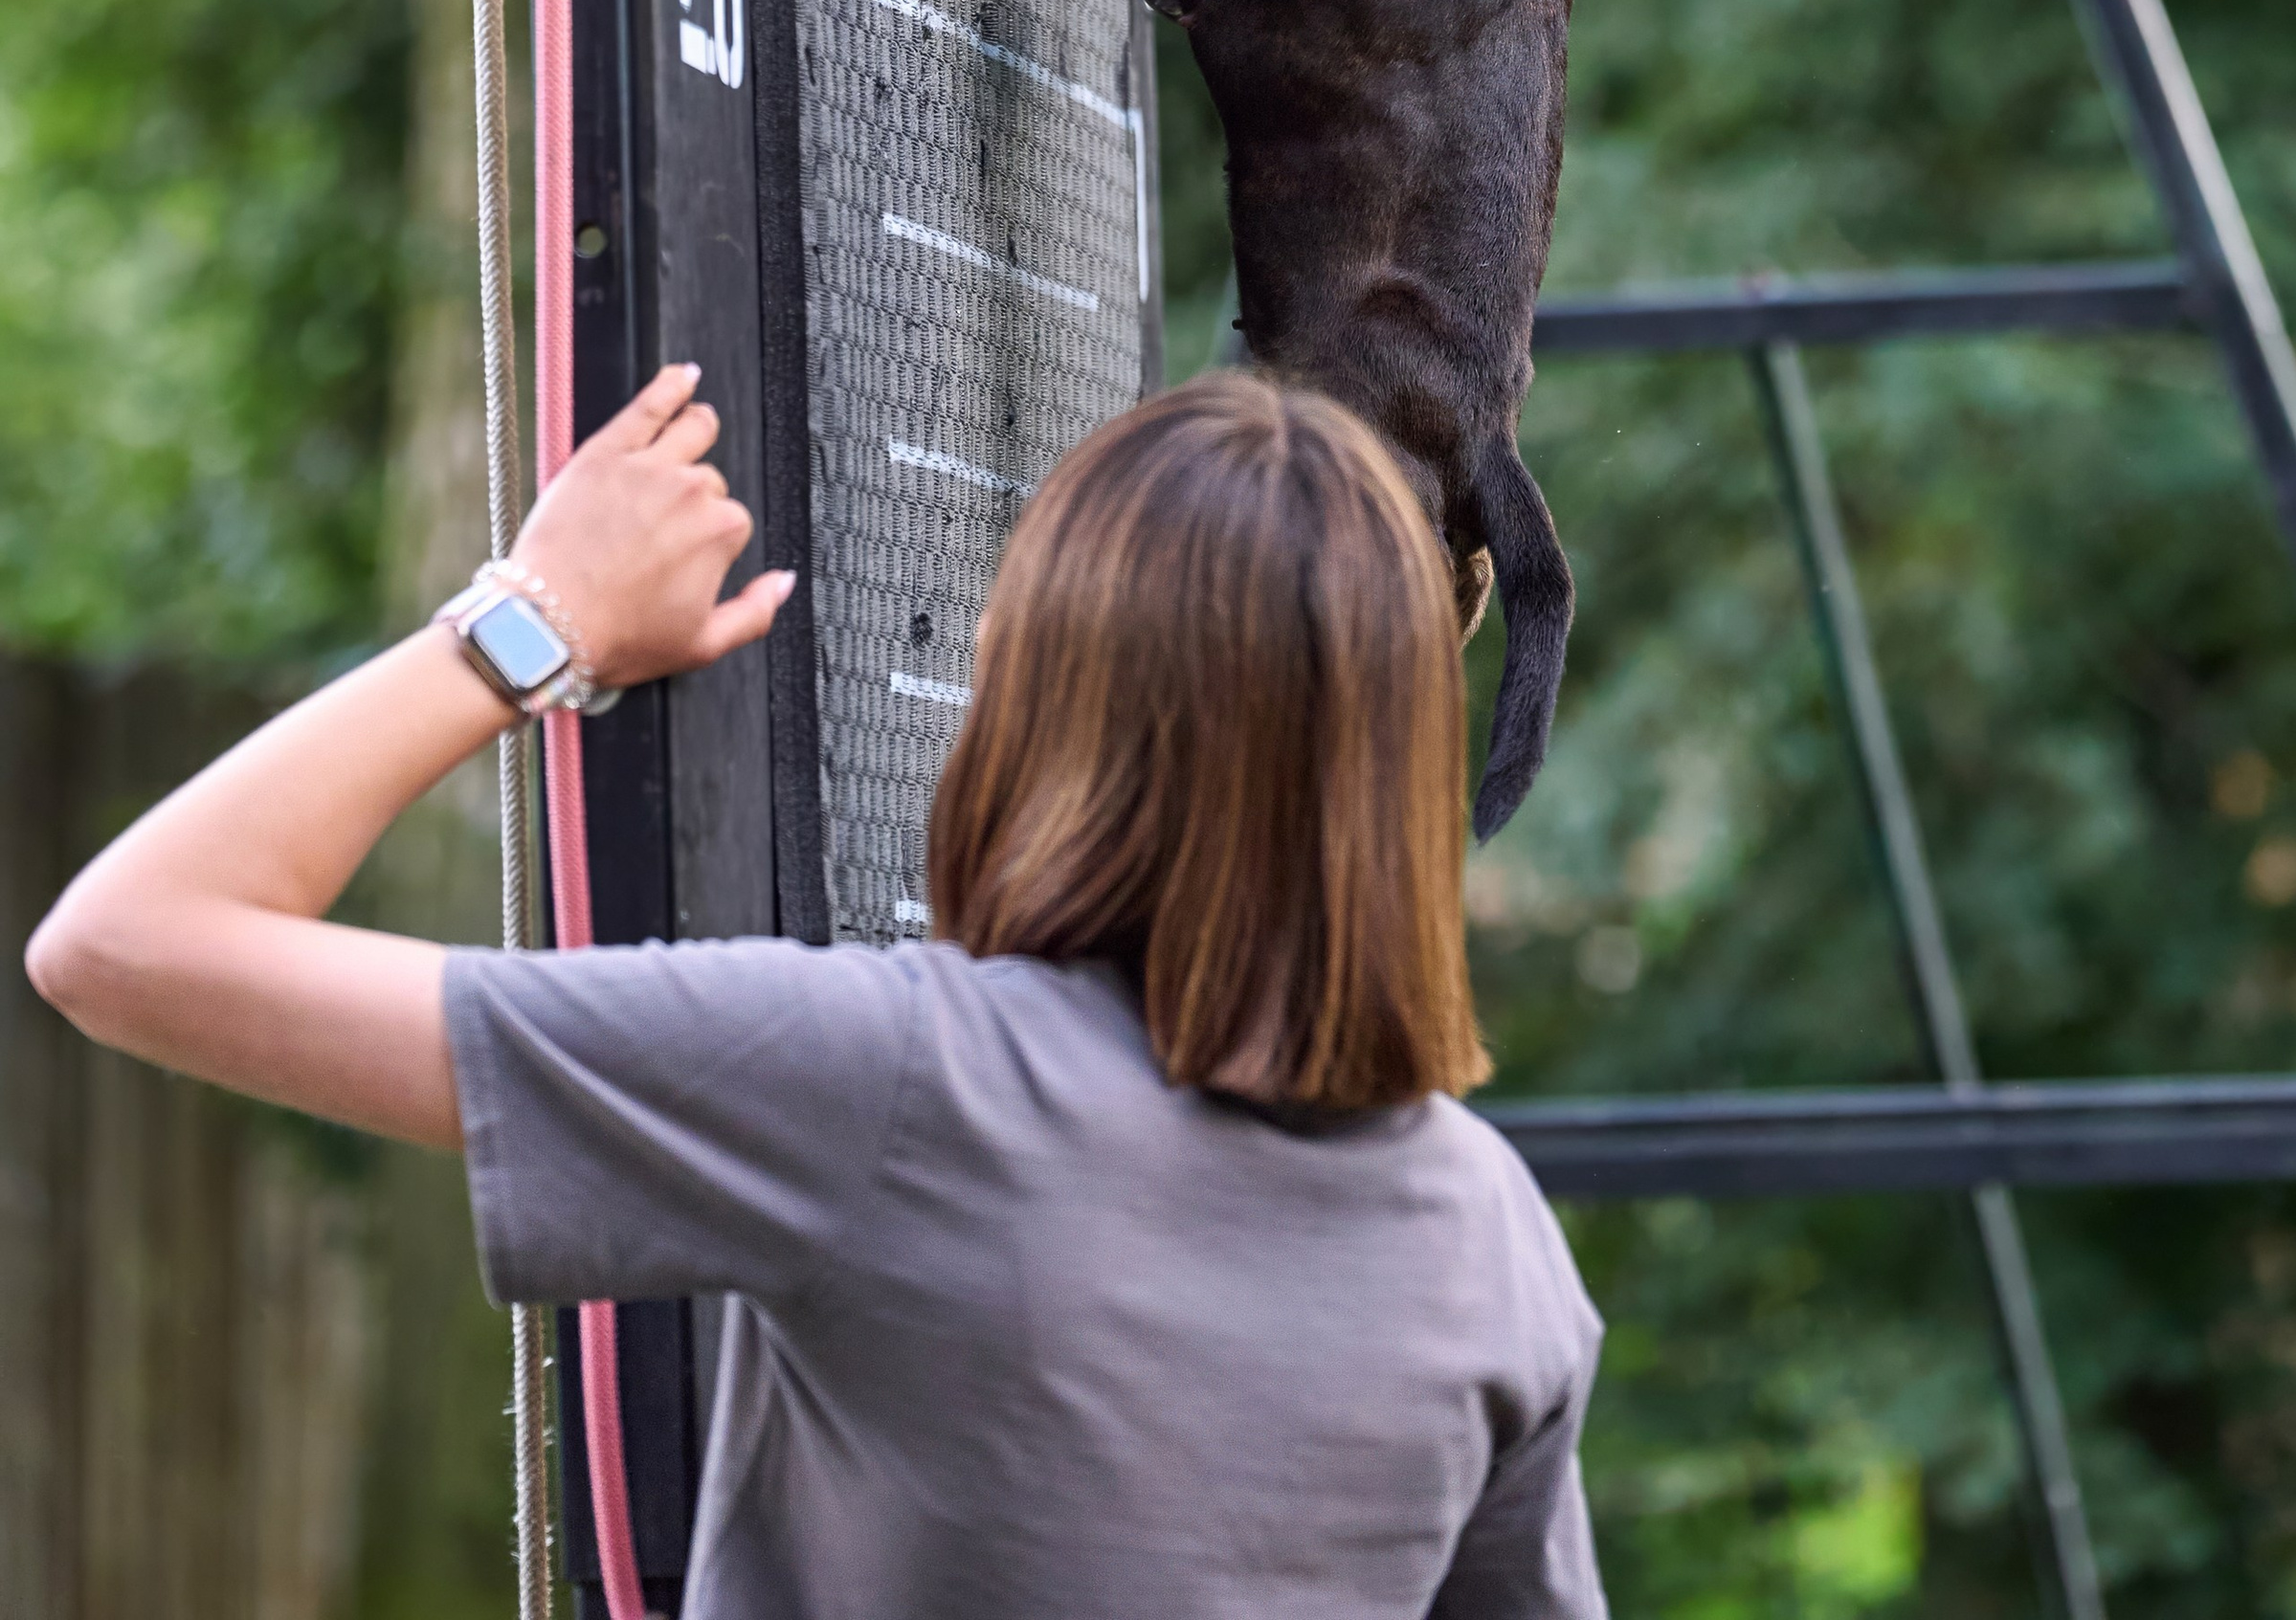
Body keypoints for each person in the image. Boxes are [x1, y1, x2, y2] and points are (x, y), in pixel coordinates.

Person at [28, 363, 1605, 1616]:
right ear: (1396, 772)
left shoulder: (910, 1085)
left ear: (1046, 709)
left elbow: (125, 944)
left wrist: (529, 624)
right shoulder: (1488, 1234)